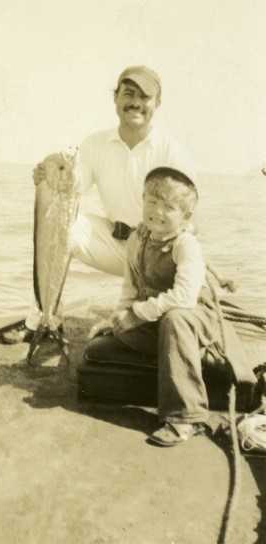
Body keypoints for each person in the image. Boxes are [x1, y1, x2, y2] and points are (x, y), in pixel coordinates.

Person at [5, 65, 221, 343]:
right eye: (128, 93)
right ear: (115, 98)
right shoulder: (95, 143)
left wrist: (190, 267)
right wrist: (48, 180)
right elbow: (71, 190)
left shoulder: (172, 150)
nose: (135, 103)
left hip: (158, 253)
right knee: (62, 224)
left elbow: (192, 219)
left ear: (157, 103)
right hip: (117, 245)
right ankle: (45, 318)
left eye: (145, 97)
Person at [84, 166, 256, 447]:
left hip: (193, 316)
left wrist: (137, 314)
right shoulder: (137, 239)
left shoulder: (186, 245)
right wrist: (119, 317)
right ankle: (177, 353)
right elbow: (131, 287)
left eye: (169, 207)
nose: (157, 212)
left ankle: (186, 418)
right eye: (151, 201)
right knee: (121, 329)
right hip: (157, 315)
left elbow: (184, 298)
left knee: (175, 321)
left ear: (185, 216)